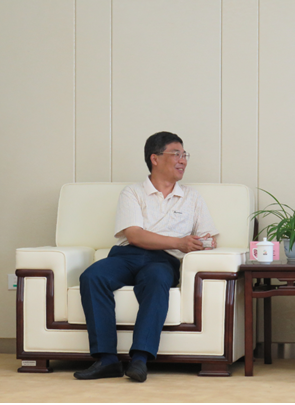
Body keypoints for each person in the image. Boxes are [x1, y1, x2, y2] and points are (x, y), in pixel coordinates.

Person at [74, 131, 219, 382]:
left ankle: (140, 359)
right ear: (155, 158)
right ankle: (106, 360)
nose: (183, 160)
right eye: (176, 154)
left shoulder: (192, 197)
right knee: (92, 276)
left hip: (163, 260)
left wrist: (205, 242)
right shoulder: (133, 192)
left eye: (185, 155)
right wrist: (180, 242)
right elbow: (135, 235)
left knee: (156, 279)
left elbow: (209, 236)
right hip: (126, 255)